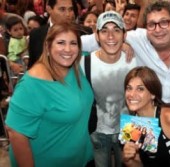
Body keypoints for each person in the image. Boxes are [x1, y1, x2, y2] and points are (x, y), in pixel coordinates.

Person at [5, 22, 94, 167]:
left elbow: (105, 46)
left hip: (79, 158)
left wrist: (125, 44)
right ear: (48, 47)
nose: (68, 49)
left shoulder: (74, 66)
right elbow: (16, 134)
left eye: (73, 43)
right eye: (60, 43)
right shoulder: (32, 85)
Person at [80, 11, 136, 167]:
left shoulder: (135, 61)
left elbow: (146, 99)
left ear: (124, 35)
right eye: (104, 31)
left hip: (129, 128)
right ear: (97, 36)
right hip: (97, 131)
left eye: (116, 30)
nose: (110, 36)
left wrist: (142, 140)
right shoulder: (83, 63)